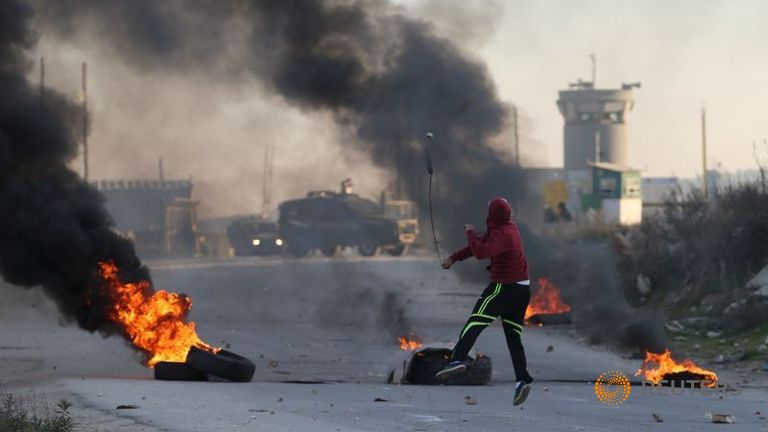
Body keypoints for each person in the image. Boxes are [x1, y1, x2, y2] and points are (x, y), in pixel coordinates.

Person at [436, 197, 534, 406]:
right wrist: (454, 258)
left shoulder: (503, 233)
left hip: (503, 288)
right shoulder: (508, 227)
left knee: (475, 322)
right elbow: (482, 245)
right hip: (522, 290)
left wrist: (470, 231)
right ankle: (522, 380)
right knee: (513, 337)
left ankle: (456, 360)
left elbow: (480, 251)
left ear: (491, 215)